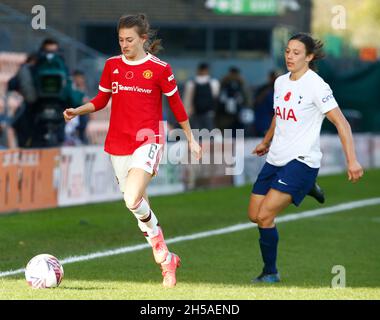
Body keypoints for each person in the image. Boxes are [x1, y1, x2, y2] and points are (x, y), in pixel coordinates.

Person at [63, 14, 202, 288]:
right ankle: (167, 262)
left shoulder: (160, 69)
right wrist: (78, 110)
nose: (124, 45)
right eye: (120, 40)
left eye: (129, 40)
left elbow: (176, 105)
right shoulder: (112, 65)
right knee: (139, 205)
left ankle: (159, 242)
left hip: (147, 139)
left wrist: (191, 137)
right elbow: (102, 99)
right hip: (118, 142)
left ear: (143, 39)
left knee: (131, 198)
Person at [247, 33, 363, 283]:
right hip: (276, 158)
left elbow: (342, 123)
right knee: (254, 214)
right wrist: (266, 142)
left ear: (309, 57)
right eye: (288, 51)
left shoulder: (317, 86)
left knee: (266, 215)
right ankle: (308, 187)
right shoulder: (280, 82)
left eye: (296, 52)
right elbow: (279, 115)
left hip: (302, 161)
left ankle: (270, 273)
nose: (290, 56)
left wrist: (351, 160)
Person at [183, 62, 220, 131]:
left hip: (195, 112)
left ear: (198, 70)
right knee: (210, 134)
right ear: (207, 70)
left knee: (196, 134)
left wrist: (187, 113)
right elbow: (216, 97)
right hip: (209, 112)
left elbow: (187, 100)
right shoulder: (214, 82)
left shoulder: (191, 83)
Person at [217, 67, 251, 134]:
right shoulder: (225, 82)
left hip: (238, 110)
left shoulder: (241, 82)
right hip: (226, 112)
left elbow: (246, 96)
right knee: (228, 128)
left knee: (238, 128)